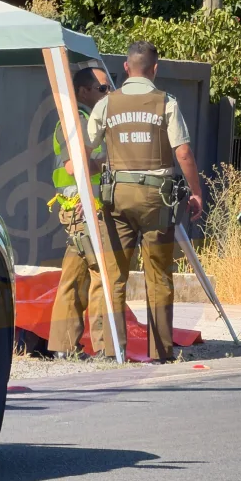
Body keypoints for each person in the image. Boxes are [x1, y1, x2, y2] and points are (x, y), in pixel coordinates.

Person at [87, 41, 203, 363]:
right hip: (157, 199)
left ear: (126, 68)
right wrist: (196, 193)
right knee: (158, 275)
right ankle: (161, 350)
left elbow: (85, 149)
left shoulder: (106, 104)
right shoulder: (165, 103)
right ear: (155, 69)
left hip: (117, 198)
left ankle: (112, 350)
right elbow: (183, 152)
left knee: (114, 275)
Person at [46, 66, 113, 360]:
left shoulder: (83, 121)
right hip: (85, 209)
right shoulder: (75, 122)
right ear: (85, 91)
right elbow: (74, 166)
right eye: (102, 89)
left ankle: (63, 345)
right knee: (101, 273)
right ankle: (102, 346)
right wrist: (109, 163)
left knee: (74, 276)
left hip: (82, 209)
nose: (107, 94)